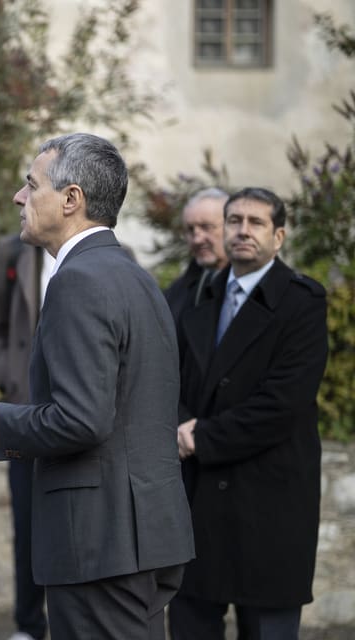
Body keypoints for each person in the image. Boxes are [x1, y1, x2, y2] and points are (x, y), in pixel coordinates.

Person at [0, 133, 194, 640]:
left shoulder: (79, 280)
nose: (19, 196)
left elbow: (83, 419)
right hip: (140, 536)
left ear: (71, 199)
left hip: (100, 542)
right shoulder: (132, 275)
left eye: (30, 184)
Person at [170, 187, 328, 640]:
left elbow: (283, 403)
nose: (242, 231)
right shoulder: (200, 294)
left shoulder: (302, 302)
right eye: (234, 220)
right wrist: (180, 424)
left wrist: (200, 438)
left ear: (278, 237)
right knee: (190, 624)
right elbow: (171, 378)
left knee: (267, 630)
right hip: (199, 503)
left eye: (256, 223)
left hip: (269, 503)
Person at [0, 234, 54, 640]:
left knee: (77, 525)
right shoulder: (13, 253)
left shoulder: (107, 256)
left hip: (77, 415)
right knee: (26, 524)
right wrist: (9, 380)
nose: (22, 200)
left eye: (32, 189)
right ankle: (29, 624)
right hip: (23, 410)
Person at [164, 188, 229, 326]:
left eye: (207, 227)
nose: (197, 239)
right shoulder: (178, 291)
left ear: (231, 226)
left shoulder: (247, 288)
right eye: (190, 229)